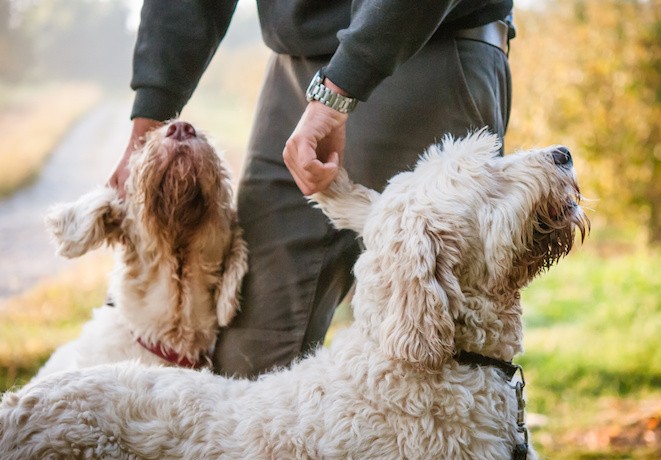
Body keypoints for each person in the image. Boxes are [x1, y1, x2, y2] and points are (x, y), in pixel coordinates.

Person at [109, 1, 514, 378]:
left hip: (428, 43)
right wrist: (147, 128)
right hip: (295, 69)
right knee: (249, 362)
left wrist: (337, 93)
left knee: (430, 358)